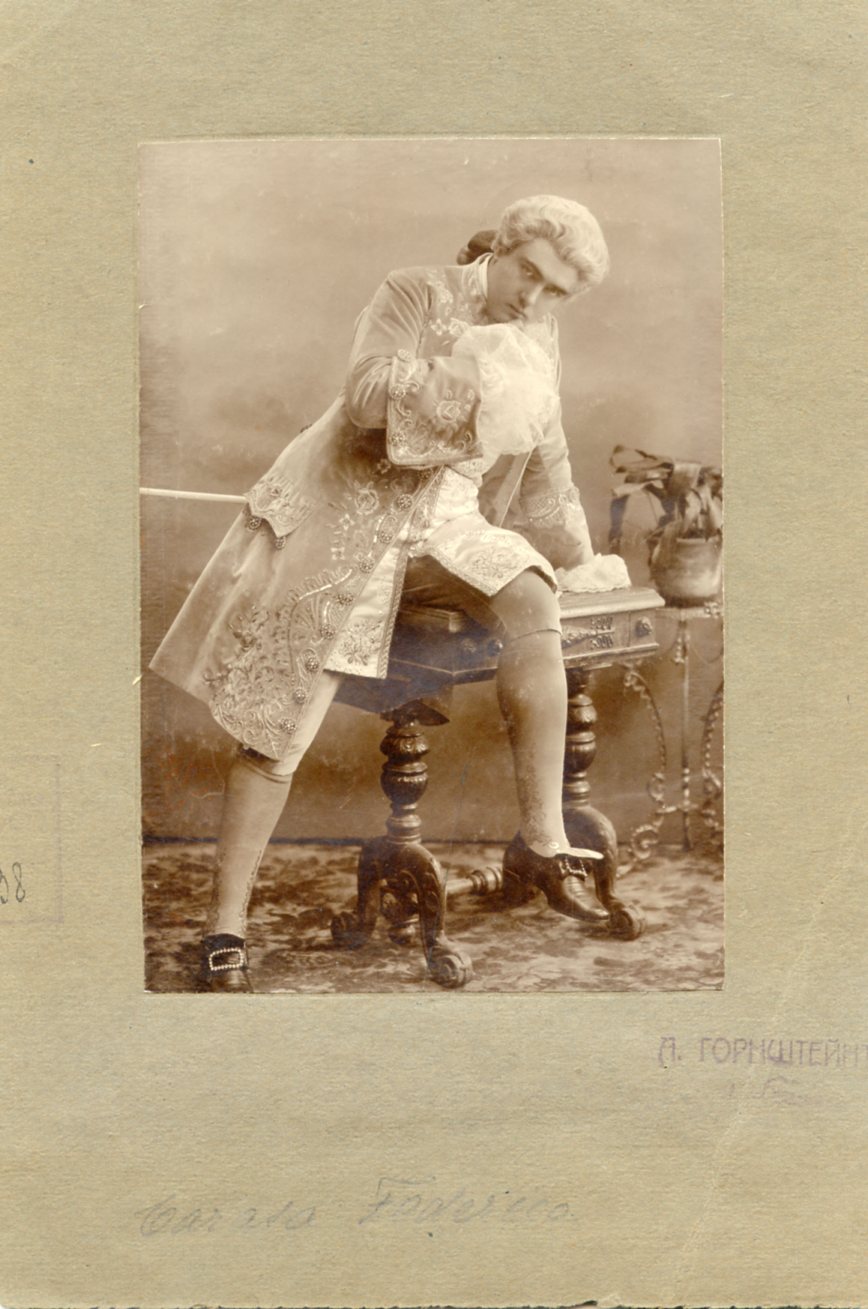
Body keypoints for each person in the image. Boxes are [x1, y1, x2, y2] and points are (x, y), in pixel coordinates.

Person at [150, 193, 617, 992]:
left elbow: (547, 461)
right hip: (351, 524)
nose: (534, 298)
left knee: (534, 592)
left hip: (450, 528)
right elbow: (368, 394)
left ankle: (543, 838)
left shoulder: (539, 335)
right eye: (527, 273)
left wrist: (582, 557)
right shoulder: (414, 291)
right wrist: (474, 377)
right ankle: (225, 926)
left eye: (556, 292)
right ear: (501, 249)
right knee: (279, 731)